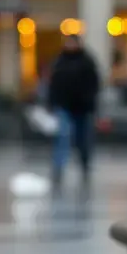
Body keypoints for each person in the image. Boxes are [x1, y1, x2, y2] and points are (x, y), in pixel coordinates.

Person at [46, 34, 101, 185]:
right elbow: (53, 84)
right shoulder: (59, 61)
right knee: (63, 137)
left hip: (82, 108)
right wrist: (52, 103)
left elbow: (94, 85)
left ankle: (84, 165)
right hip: (64, 106)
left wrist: (92, 105)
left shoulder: (87, 62)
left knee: (82, 139)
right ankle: (59, 168)